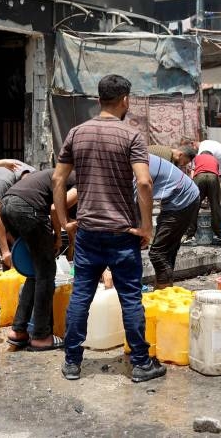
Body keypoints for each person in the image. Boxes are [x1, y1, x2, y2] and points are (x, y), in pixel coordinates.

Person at [52, 74, 166, 384]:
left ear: (98, 99)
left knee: (81, 297)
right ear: (125, 100)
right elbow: (144, 182)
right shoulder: (131, 136)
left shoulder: (77, 133)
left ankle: (72, 362)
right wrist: (146, 226)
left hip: (88, 232)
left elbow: (58, 180)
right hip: (121, 233)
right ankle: (141, 364)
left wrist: (64, 222)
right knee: (130, 298)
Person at [0, 169, 77, 351]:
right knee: (47, 274)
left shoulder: (62, 172)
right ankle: (41, 336)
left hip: (7, 206)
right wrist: (58, 235)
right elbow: (56, 208)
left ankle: (18, 330)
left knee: (35, 272)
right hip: (27, 209)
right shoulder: (83, 179)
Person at [146, 154, 201, 288]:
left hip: (182, 200)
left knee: (157, 253)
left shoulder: (135, 166)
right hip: (181, 197)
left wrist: (144, 228)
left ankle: (164, 295)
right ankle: (164, 290)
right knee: (167, 251)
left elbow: (143, 197)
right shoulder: (141, 156)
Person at [183, 151, 221, 246]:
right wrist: (216, 199)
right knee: (215, 207)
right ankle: (218, 236)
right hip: (213, 177)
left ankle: (190, 237)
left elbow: (192, 172)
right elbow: (219, 178)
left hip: (199, 176)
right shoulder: (215, 159)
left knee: (194, 206)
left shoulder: (197, 158)